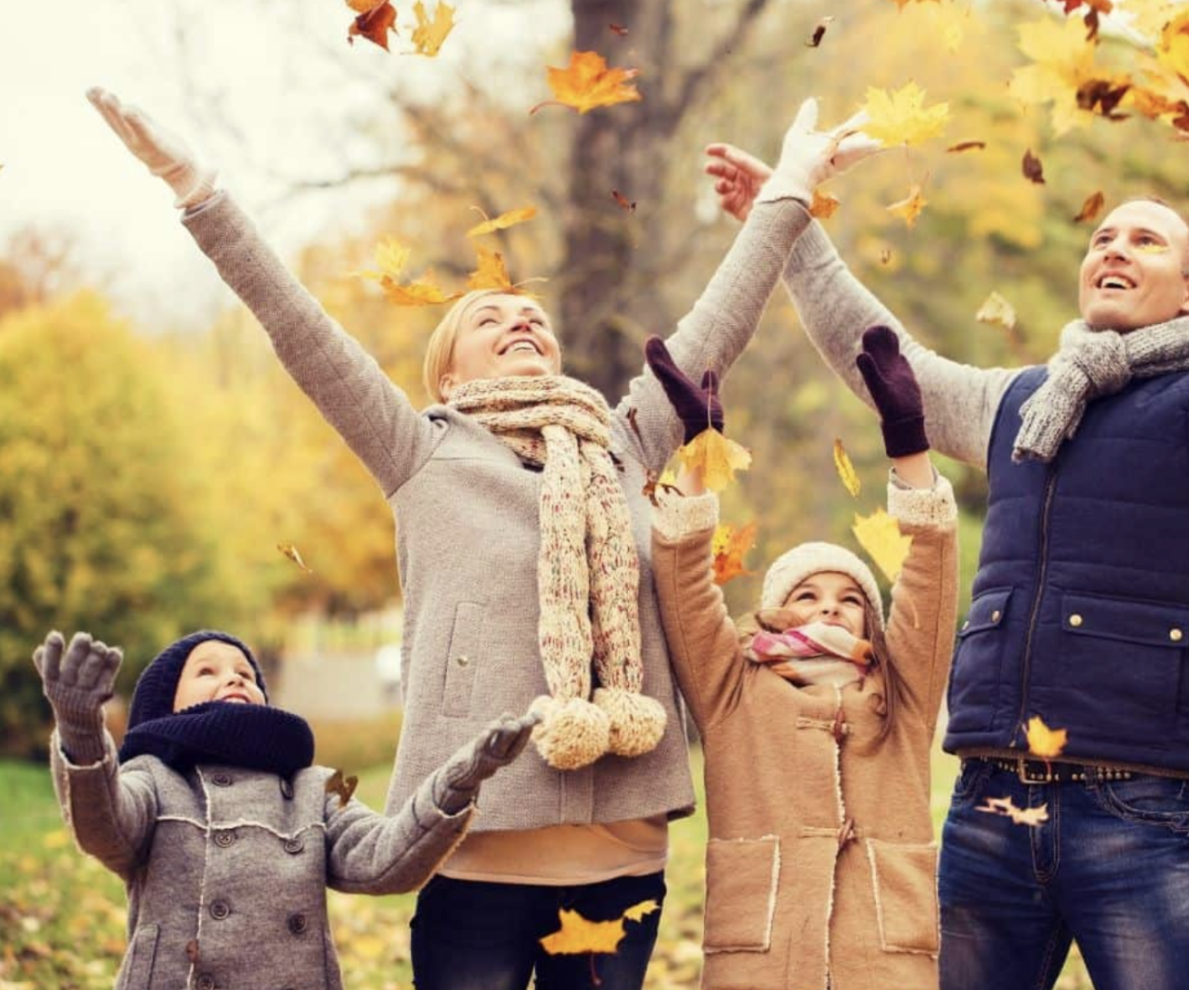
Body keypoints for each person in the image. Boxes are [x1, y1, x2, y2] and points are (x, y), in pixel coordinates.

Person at [84, 87, 880, 988]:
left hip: (621, 856)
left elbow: (715, 331)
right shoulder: (419, 452)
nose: (521, 322)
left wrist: (794, 186)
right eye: (488, 321)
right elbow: (299, 327)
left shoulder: (619, 442)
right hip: (473, 848)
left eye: (531, 316)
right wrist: (198, 188)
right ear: (447, 371)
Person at [705, 132, 1189, 988]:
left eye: (1146, 240)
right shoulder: (1019, 403)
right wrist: (789, 226)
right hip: (990, 806)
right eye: (1102, 238)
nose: (1113, 247)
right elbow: (889, 366)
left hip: (1146, 807)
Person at [645, 325, 958, 990]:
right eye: (808, 594)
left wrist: (909, 446)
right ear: (776, 610)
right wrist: (702, 456)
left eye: (850, 598)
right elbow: (683, 582)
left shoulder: (899, 693)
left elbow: (929, 579)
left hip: (882, 954)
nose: (830, 606)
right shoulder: (734, 687)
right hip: (763, 951)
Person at [34, 627, 536, 990]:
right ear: (164, 705)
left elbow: (385, 859)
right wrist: (81, 731)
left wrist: (458, 781)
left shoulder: (317, 785)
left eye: (245, 673)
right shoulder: (152, 779)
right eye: (206, 671)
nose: (233, 679)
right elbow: (104, 827)